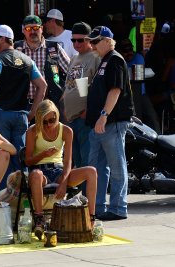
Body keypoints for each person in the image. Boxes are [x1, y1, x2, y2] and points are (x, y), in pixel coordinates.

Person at [0, 24, 47, 190]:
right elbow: (43, 85)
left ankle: (1, 201)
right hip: (21, 116)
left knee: (0, 157)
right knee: (20, 159)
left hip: (0, 116)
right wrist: (33, 112)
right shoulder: (27, 60)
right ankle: (20, 200)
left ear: (3, 39)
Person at [25, 100, 97, 237]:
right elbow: (28, 161)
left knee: (91, 171)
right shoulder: (33, 131)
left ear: (57, 116)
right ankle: (39, 219)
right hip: (40, 170)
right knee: (35, 175)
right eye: (44, 122)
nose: (48, 125)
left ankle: (91, 217)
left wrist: (63, 182)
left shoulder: (66, 130)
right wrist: (43, 154)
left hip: (59, 170)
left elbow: (68, 160)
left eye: (52, 120)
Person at [85, 26, 134, 221]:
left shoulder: (114, 59)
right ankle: (96, 207)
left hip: (111, 122)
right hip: (100, 123)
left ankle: (118, 208)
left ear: (107, 41)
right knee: (96, 166)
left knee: (116, 165)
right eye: (92, 41)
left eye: (96, 41)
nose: (92, 45)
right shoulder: (104, 60)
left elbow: (115, 91)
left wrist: (104, 115)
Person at [15, 15, 69, 114]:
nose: (32, 32)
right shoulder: (16, 49)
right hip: (22, 104)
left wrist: (64, 95)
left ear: (42, 29)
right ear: (23, 30)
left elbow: (71, 73)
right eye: (28, 28)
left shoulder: (54, 48)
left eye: (36, 28)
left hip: (48, 104)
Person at [65, 22, 100, 168]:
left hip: (85, 118)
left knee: (87, 160)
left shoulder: (95, 57)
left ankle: (89, 191)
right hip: (71, 118)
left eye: (80, 40)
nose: (76, 43)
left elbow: (98, 88)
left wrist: (88, 111)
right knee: (77, 160)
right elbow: (72, 85)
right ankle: (82, 190)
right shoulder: (74, 58)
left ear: (89, 39)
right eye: (73, 40)